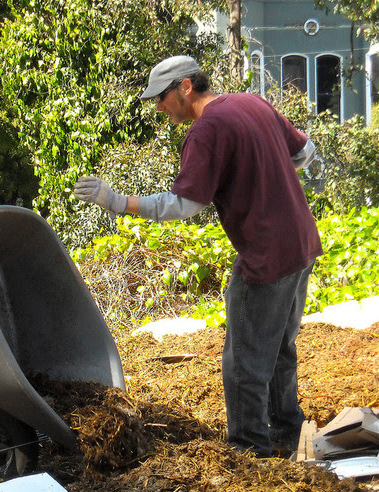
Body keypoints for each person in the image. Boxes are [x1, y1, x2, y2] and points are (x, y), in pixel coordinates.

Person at [74, 55, 322, 458]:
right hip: (301, 244)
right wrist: (265, 173)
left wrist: (118, 201)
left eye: (161, 97)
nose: (158, 107)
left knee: (243, 362)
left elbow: (186, 204)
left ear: (185, 87)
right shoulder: (250, 102)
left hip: (266, 257)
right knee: (278, 346)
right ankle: (288, 433)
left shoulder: (206, 129)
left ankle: (249, 452)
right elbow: (304, 152)